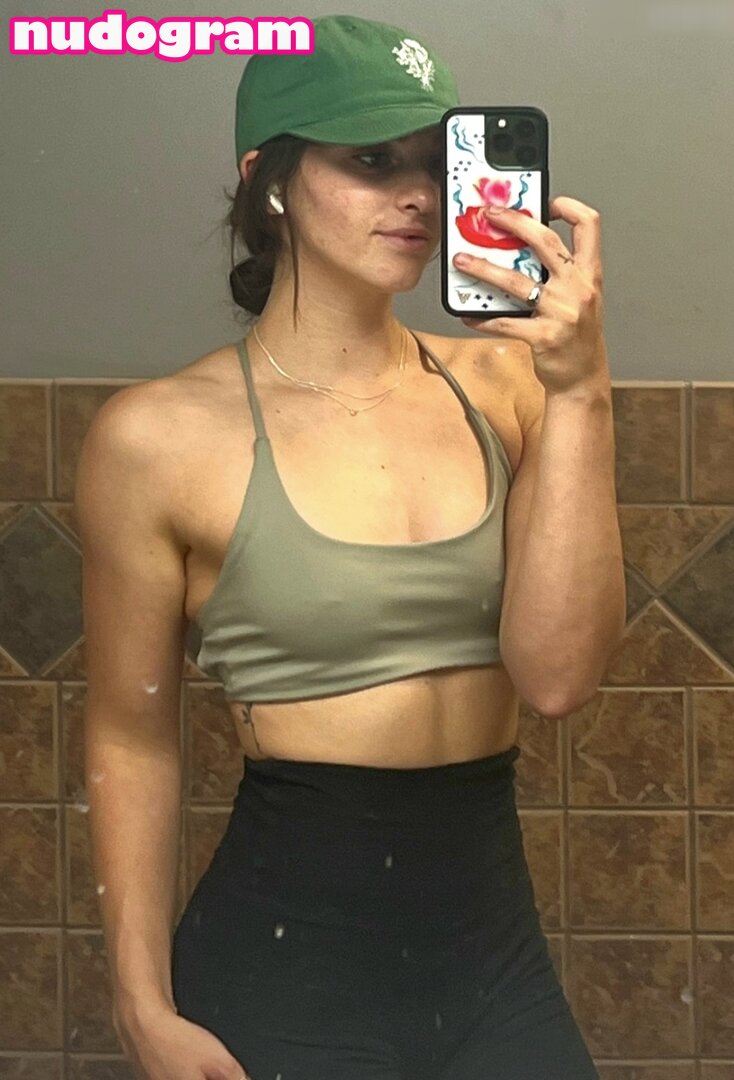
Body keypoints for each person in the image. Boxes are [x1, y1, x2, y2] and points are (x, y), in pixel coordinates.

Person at [78, 13, 623, 1080]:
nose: (416, 195)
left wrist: (583, 388)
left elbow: (558, 677)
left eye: (431, 164)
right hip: (282, 965)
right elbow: (130, 735)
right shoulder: (155, 439)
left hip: (495, 962)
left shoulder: (509, 386)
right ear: (268, 182)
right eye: (371, 161)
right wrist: (140, 1004)